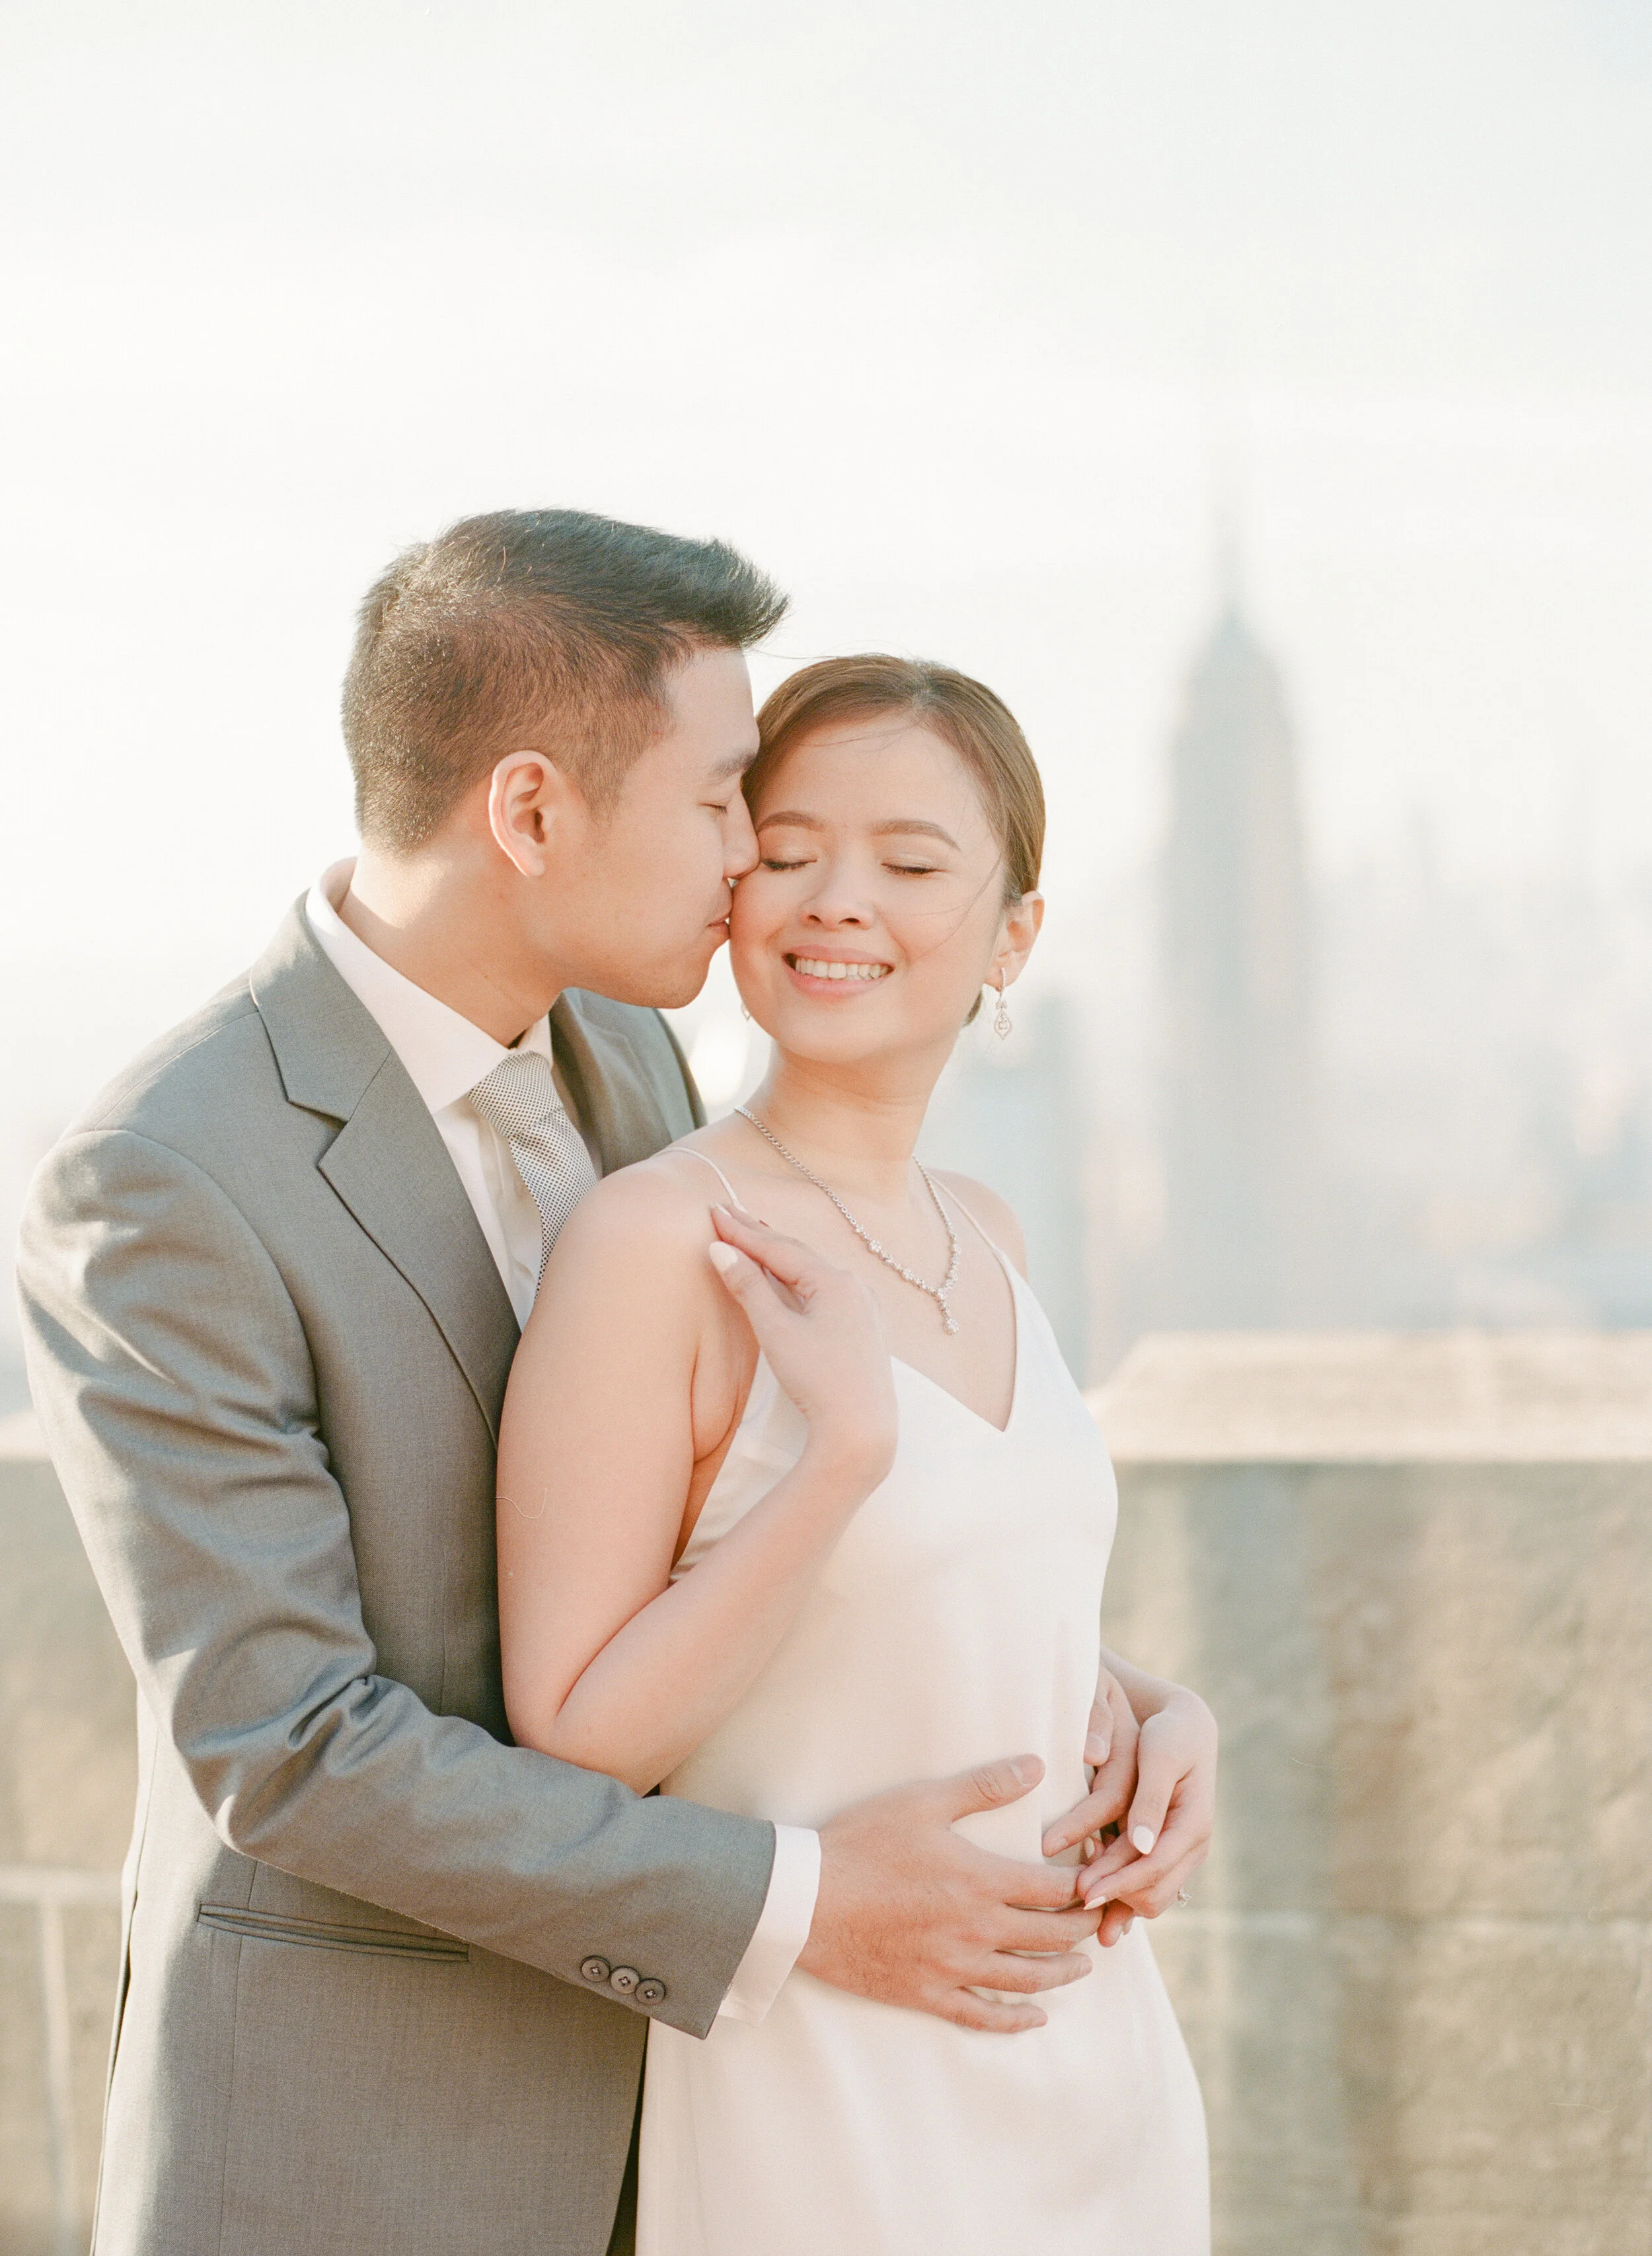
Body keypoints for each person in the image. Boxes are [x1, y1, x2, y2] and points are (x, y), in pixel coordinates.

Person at [17, 513, 1209, 2256]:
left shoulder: (625, 1049)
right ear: (528, 811)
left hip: (718, 2114)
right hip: (377, 2143)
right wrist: (806, 1901)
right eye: (730, 801)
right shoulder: (164, 1174)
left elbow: (697, 1487)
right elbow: (282, 1744)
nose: (756, 865)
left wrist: (1100, 1685)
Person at [497, 653, 1215, 2255]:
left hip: (1089, 2061)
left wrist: (1159, 1710)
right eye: (787, 846)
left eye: (907, 864)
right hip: (825, 2088)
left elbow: (948, 1611)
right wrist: (839, 1454)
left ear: (1011, 933)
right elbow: (574, 1737)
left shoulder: (990, 1229)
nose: (834, 901)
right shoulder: (653, 1240)